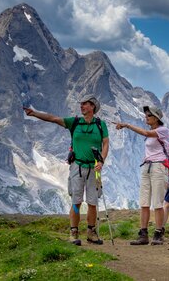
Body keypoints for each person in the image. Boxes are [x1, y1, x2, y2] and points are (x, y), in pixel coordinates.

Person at [24, 94, 109, 246]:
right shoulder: (74, 122)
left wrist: (101, 161)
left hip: (94, 167)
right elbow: (54, 119)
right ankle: (73, 232)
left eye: (85, 104)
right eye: (81, 104)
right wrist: (34, 113)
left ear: (93, 107)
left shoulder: (100, 124)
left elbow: (106, 144)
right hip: (77, 166)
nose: (81, 106)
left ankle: (91, 232)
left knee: (92, 202)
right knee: (76, 201)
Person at [114, 106, 169, 245]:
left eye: (149, 115)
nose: (146, 117)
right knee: (144, 202)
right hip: (147, 166)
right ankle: (143, 234)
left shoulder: (162, 130)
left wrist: (127, 125)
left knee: (157, 202)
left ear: (156, 118)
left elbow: (145, 133)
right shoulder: (153, 131)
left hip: (158, 166)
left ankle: (158, 233)